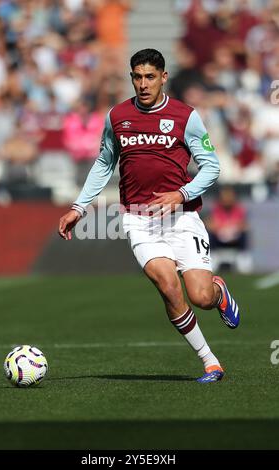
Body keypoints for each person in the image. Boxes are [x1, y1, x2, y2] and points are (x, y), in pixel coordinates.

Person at [58, 49, 241, 383]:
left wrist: (181, 194)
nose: (143, 84)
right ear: (132, 78)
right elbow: (103, 163)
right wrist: (78, 207)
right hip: (139, 218)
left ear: (164, 77)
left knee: (199, 297)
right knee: (168, 287)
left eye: (150, 77)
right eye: (137, 77)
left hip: (182, 216)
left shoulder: (185, 116)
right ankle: (210, 361)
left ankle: (218, 291)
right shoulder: (118, 116)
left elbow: (212, 166)